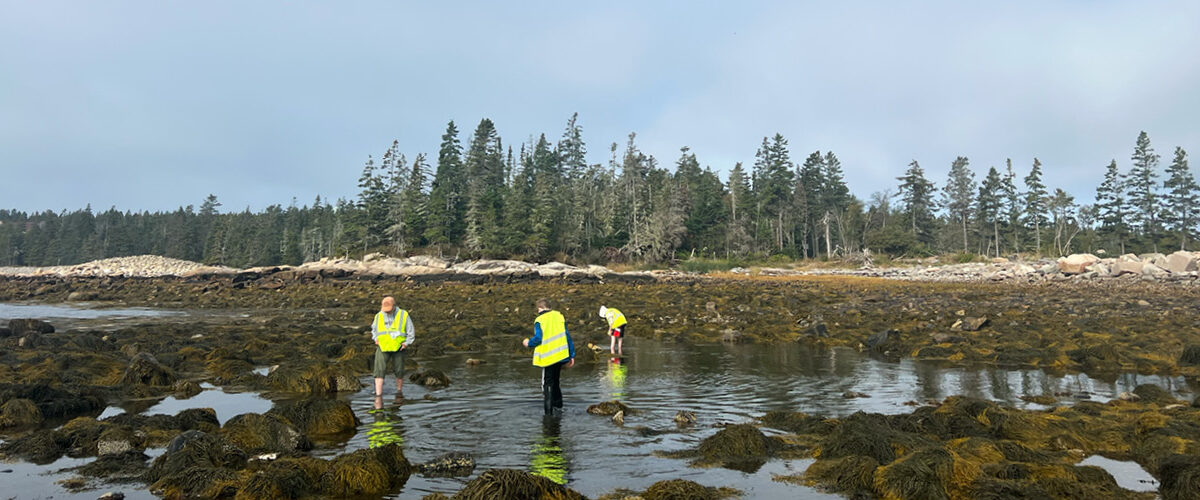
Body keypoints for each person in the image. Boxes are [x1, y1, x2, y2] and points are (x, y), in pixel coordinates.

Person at [522, 298, 575, 415]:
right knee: (556, 382)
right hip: (561, 355)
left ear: (539, 308)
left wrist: (528, 343)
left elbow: (538, 338)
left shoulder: (539, 320)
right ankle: (559, 408)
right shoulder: (559, 316)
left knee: (547, 385)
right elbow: (567, 336)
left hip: (548, 358)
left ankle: (548, 414)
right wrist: (571, 355)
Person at [371, 296, 414, 397]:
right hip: (382, 347)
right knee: (379, 371)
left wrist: (406, 343)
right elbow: (374, 329)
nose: (386, 312)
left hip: (398, 347)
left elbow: (410, 331)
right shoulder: (378, 316)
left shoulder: (403, 314)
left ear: (394, 306)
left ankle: (399, 391)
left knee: (399, 371)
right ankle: (378, 395)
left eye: (388, 310)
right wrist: (375, 339)